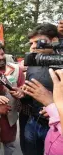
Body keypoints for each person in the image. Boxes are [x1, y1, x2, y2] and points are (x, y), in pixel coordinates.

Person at [20, 23, 59, 155]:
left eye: (38, 42)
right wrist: (23, 93)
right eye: (31, 43)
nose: (33, 47)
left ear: (54, 41)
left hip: (56, 128)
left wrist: (55, 108)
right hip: (33, 123)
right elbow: (29, 94)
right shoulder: (32, 63)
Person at [22, 68, 63, 155]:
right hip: (34, 121)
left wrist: (52, 105)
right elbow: (28, 98)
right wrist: (22, 95)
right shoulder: (31, 69)